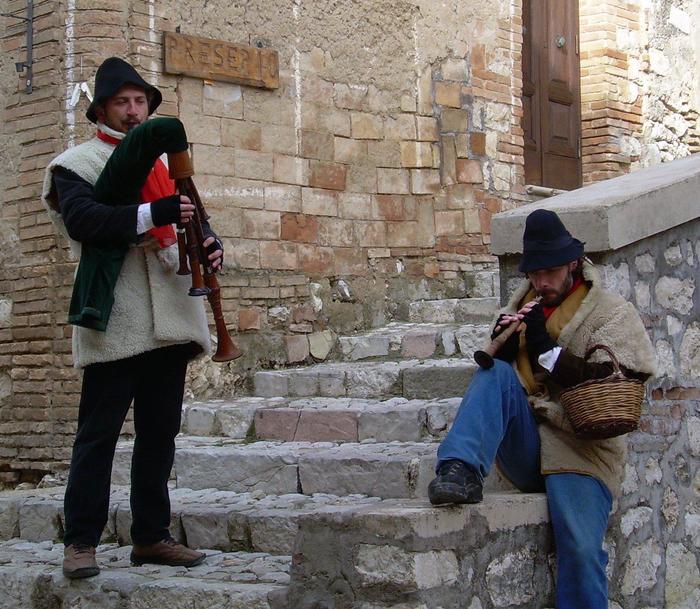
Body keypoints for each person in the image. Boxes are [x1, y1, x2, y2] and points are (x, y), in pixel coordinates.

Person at [42, 57, 222, 579]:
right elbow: (84, 221)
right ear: (102, 109)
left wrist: (210, 245)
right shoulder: (74, 164)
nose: (132, 110)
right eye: (122, 102)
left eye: (140, 101)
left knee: (159, 434)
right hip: (116, 319)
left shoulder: (168, 168)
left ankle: (150, 536)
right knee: (97, 435)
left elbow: (197, 222)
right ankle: (81, 542)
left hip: (172, 313)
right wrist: (153, 215)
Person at [428, 209, 656, 609]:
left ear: (572, 263)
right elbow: (498, 388)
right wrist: (500, 346)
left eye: (549, 272)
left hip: (581, 452)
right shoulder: (521, 310)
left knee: (582, 551)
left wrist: (549, 354)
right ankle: (459, 469)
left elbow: (616, 378)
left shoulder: (611, 312)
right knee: (493, 376)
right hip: (526, 444)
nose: (540, 282)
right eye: (533, 274)